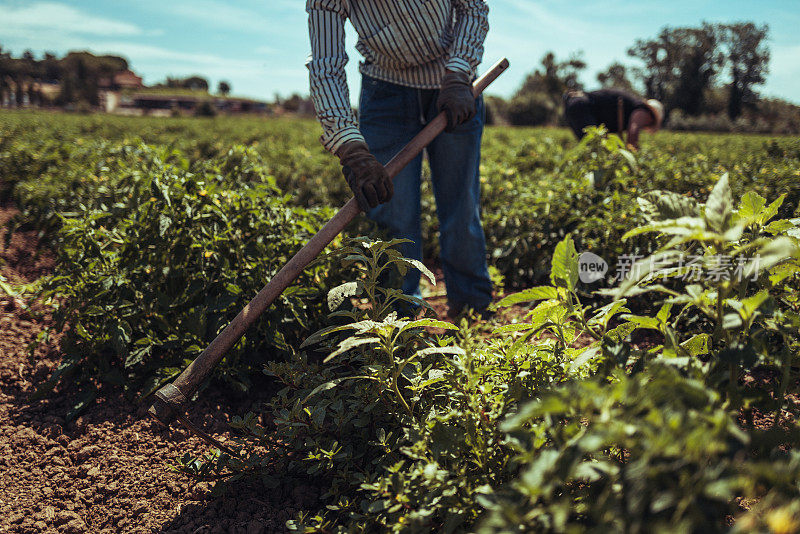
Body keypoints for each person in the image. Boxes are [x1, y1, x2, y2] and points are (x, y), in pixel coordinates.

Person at [306, 1, 493, 317]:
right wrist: (349, 146)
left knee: (461, 206)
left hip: (451, 86)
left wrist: (460, 72)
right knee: (394, 213)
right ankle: (400, 314)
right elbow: (326, 65)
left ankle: (472, 305)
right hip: (385, 95)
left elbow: (473, 8)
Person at [563, 88, 664, 150]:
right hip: (581, 105)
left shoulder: (634, 107)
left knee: (592, 149)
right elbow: (633, 132)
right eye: (650, 124)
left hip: (574, 104)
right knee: (595, 148)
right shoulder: (643, 111)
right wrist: (633, 158)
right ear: (652, 118)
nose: (646, 126)